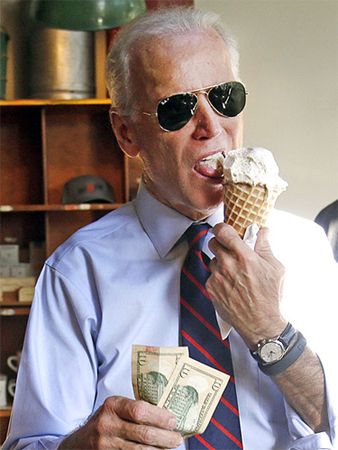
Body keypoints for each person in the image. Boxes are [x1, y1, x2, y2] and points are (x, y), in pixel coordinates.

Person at [4, 7, 338, 450]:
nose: (211, 126)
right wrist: (79, 446)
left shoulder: (308, 247)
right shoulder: (76, 273)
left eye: (225, 97)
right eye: (177, 108)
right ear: (126, 134)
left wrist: (269, 330)